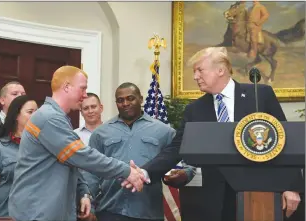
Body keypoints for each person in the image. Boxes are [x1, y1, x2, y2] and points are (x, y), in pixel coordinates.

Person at [123, 47, 304, 221]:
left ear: (221, 70)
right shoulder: (195, 109)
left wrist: (291, 187)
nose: (195, 77)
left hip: (259, 195)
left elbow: (284, 141)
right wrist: (145, 172)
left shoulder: (259, 95)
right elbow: (177, 147)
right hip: (214, 201)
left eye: (200, 70)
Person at [8, 66, 145, 221]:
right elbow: (81, 156)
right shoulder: (49, 118)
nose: (85, 94)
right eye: (83, 88)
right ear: (67, 87)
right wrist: (127, 171)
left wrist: (84, 193)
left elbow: (70, 163)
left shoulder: (56, 118)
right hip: (37, 211)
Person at [90, 82, 194, 221]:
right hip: (110, 209)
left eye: (130, 98)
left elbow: (185, 159)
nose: (125, 103)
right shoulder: (100, 133)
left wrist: (185, 174)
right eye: (120, 100)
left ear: (141, 99)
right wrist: (89, 205)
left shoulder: (163, 131)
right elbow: (91, 173)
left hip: (148, 210)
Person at [0, 95, 38, 217]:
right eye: (30, 112)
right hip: (7, 215)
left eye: (37, 112)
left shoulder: (45, 146)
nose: (36, 116)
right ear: (17, 116)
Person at [74, 92, 104, 221]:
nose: (90, 111)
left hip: (108, 196)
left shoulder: (113, 133)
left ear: (101, 108)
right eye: (86, 108)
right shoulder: (73, 136)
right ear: (81, 112)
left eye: (94, 107)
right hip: (81, 194)